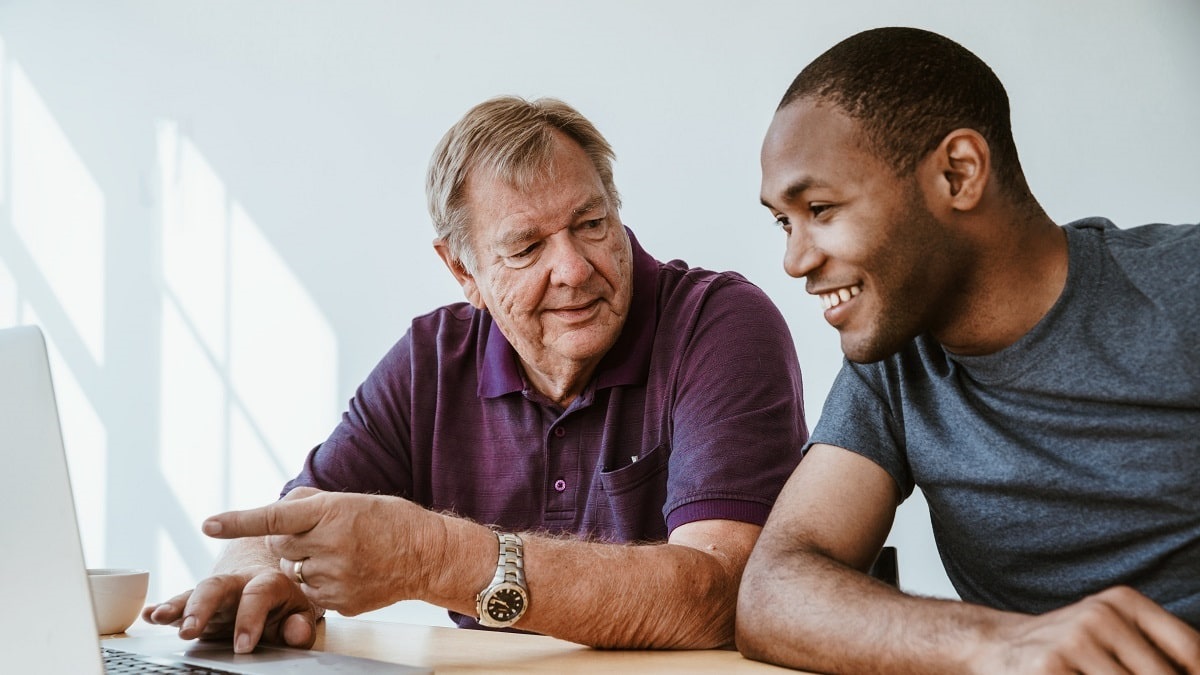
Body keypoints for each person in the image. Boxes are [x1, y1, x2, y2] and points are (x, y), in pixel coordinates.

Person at [143, 96, 807, 652]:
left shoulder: (719, 325)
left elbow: (725, 595)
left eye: (592, 223)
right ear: (463, 271)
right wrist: (255, 573)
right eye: (526, 247)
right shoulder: (433, 356)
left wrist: (435, 556)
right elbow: (289, 524)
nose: (574, 268)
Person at [737, 26, 1200, 674]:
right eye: (785, 221)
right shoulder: (892, 363)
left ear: (958, 173)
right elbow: (772, 593)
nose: (795, 260)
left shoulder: (1183, 287)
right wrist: (997, 642)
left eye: (820, 207)